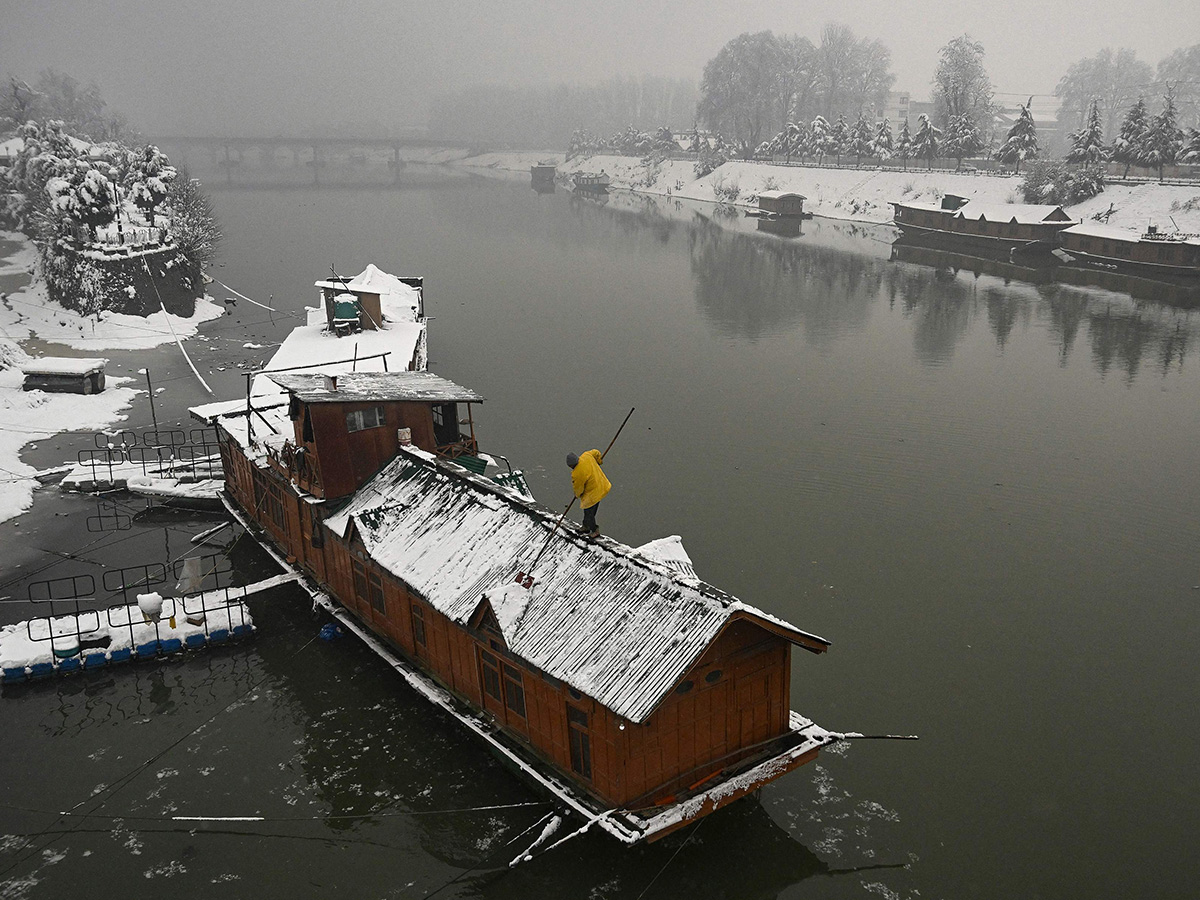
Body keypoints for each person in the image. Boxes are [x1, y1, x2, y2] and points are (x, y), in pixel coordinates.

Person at [567, 449, 611, 538]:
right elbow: (596, 452)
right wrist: (598, 460)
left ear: (571, 465)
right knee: (588, 511)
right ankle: (586, 526)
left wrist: (577, 495)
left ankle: (594, 530)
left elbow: (579, 488)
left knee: (589, 512)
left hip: (593, 492)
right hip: (601, 485)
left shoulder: (577, 473)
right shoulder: (586, 456)